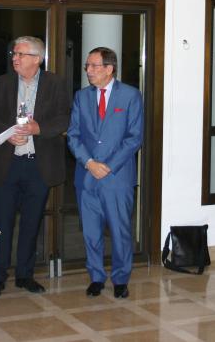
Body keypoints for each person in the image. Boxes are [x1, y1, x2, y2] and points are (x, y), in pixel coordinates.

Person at [0, 36, 70, 297]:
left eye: (20, 54)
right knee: (3, 224)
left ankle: (25, 275)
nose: (14, 58)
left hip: (38, 166)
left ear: (37, 59)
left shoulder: (56, 83)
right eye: (14, 54)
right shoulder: (2, 83)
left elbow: (64, 117)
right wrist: (6, 134)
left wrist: (38, 128)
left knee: (31, 224)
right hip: (8, 165)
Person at [67, 47, 144, 299]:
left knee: (120, 231)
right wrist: (89, 162)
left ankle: (121, 279)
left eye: (94, 66)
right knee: (91, 232)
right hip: (87, 176)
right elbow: (74, 135)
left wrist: (107, 165)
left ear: (110, 69)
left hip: (117, 177)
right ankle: (96, 277)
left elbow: (134, 138)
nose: (88, 70)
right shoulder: (81, 96)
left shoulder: (131, 96)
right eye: (87, 66)